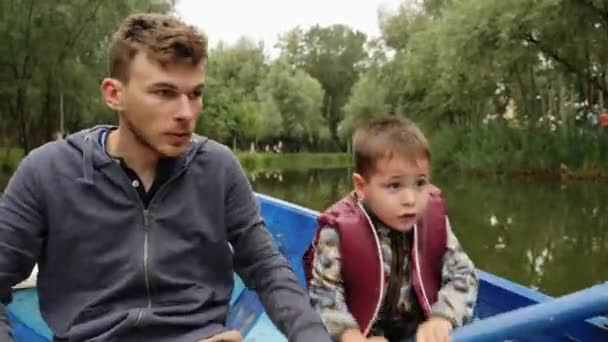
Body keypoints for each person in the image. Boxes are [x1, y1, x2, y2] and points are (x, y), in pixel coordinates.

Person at [0, 13, 331, 342]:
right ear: (114, 94)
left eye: (195, 94)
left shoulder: (218, 168)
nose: (186, 113)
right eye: (164, 93)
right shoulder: (47, 172)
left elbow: (269, 270)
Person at [303, 116, 479, 342]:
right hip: (363, 332)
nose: (411, 199)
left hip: (418, 330)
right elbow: (323, 294)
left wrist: (442, 317)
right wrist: (351, 336)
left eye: (420, 183)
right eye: (394, 185)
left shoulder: (433, 221)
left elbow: (464, 274)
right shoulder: (336, 232)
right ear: (361, 186)